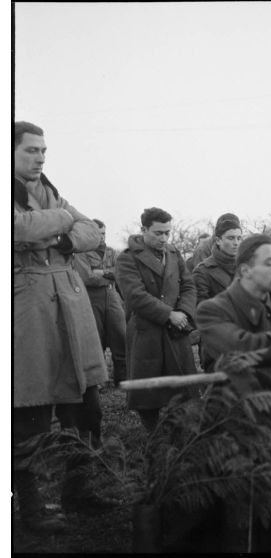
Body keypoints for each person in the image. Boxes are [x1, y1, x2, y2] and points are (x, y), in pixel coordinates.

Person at [13, 121, 109, 532]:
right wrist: (63, 219)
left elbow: (91, 233)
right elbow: (18, 228)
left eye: (44, 151)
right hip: (28, 310)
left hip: (71, 307)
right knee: (29, 413)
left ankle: (80, 492)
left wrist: (64, 236)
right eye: (32, 150)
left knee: (84, 406)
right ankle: (30, 509)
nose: (40, 158)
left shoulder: (50, 190)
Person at [196, 234, 271, 552]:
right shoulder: (212, 310)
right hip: (238, 424)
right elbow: (242, 348)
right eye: (270, 262)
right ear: (244, 270)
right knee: (243, 512)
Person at [115, 207, 198, 432]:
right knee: (148, 393)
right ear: (143, 230)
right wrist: (169, 314)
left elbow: (189, 285)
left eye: (167, 233)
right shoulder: (127, 258)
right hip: (146, 331)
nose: (164, 238)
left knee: (181, 388)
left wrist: (184, 313)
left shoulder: (174, 254)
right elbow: (135, 296)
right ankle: (151, 437)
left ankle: (179, 435)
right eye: (158, 233)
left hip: (176, 330)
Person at [73, 219, 127, 386]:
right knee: (96, 337)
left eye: (104, 233)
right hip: (90, 297)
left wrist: (102, 273)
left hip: (111, 295)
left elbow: (121, 273)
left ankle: (123, 378)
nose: (102, 237)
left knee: (120, 333)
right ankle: (98, 381)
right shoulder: (80, 252)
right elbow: (87, 277)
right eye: (98, 234)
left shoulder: (111, 251)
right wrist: (109, 275)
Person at [192, 218, 242, 305]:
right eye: (231, 238)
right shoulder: (203, 271)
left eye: (239, 238)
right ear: (218, 240)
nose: (236, 243)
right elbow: (202, 309)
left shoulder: (248, 266)